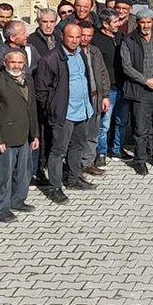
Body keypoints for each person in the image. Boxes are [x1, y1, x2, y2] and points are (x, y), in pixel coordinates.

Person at [34, 23, 97, 201]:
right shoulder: (50, 59)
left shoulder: (80, 53)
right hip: (63, 113)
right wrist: (52, 109)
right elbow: (41, 91)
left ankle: (74, 179)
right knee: (58, 151)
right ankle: (55, 188)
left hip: (82, 109)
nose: (75, 41)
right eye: (71, 37)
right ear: (62, 36)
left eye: (78, 37)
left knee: (77, 146)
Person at [0, 49, 40, 222]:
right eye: (13, 62)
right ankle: (0, 209)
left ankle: (18, 200)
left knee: (24, 172)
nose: (16, 66)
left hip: (24, 135)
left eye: (20, 62)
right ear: (5, 63)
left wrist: (35, 134)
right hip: (5, 138)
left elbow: (32, 108)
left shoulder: (28, 80)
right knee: (3, 175)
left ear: (25, 63)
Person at [119, 6, 153, 176]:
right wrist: (145, 80)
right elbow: (126, 66)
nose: (145, 25)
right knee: (141, 129)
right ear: (137, 22)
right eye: (142, 22)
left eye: (148, 22)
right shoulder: (129, 41)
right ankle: (140, 160)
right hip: (140, 91)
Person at [88, 10, 125, 165]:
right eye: (115, 22)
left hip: (123, 86)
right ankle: (101, 153)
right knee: (104, 124)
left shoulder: (120, 37)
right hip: (107, 89)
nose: (118, 24)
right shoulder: (96, 40)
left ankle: (117, 149)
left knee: (121, 121)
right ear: (105, 23)